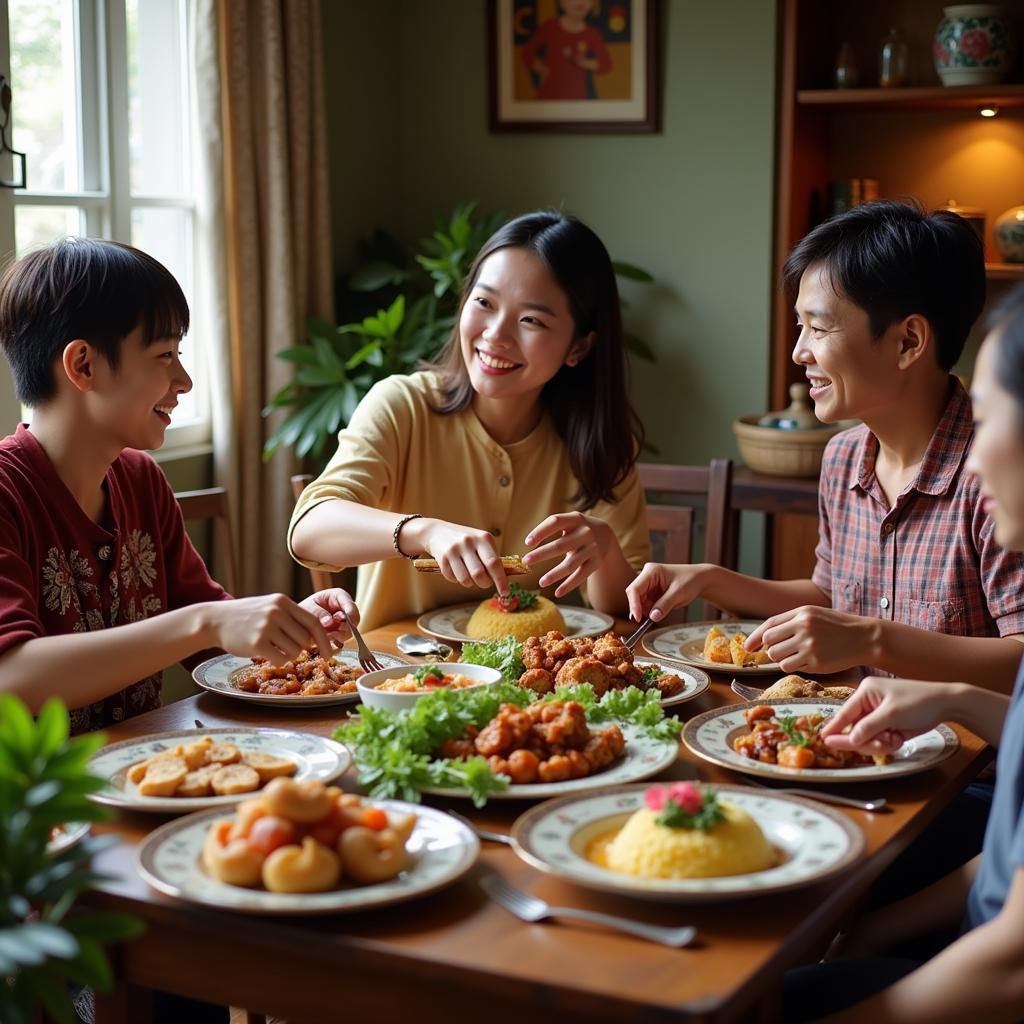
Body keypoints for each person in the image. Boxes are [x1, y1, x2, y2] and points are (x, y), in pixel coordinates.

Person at [627, 200, 1024, 693]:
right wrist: (711, 580)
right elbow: (830, 596)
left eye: (818, 327)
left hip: (970, 767)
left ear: (908, 342)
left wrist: (873, 641)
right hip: (854, 741)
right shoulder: (843, 457)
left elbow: (1020, 659)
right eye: (800, 326)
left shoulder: (999, 476)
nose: (799, 352)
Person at [781, 285, 1024, 1023]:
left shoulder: (968, 493)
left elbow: (1013, 966)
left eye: (986, 419)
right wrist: (951, 698)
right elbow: (1008, 868)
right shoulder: (844, 457)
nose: (972, 458)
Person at [0, 238, 359, 735]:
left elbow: (207, 637)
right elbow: (11, 676)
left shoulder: (140, 480)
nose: (184, 380)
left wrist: (289, 626)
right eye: (164, 355)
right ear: (83, 365)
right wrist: (206, 622)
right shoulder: (7, 494)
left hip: (139, 776)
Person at [289, 209, 649, 631]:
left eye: (530, 319)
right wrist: (423, 533)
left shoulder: (600, 444)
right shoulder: (401, 405)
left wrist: (604, 552)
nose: (496, 334)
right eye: (484, 302)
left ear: (579, 347)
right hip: (400, 681)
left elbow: (629, 613)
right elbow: (309, 530)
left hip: (541, 691)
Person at [520, 0, 612, 101]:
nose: (580, 2)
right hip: (549, 95)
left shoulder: (592, 34)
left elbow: (606, 65)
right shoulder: (550, 27)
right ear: (561, 3)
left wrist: (582, 62)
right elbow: (527, 53)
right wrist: (542, 69)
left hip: (578, 98)